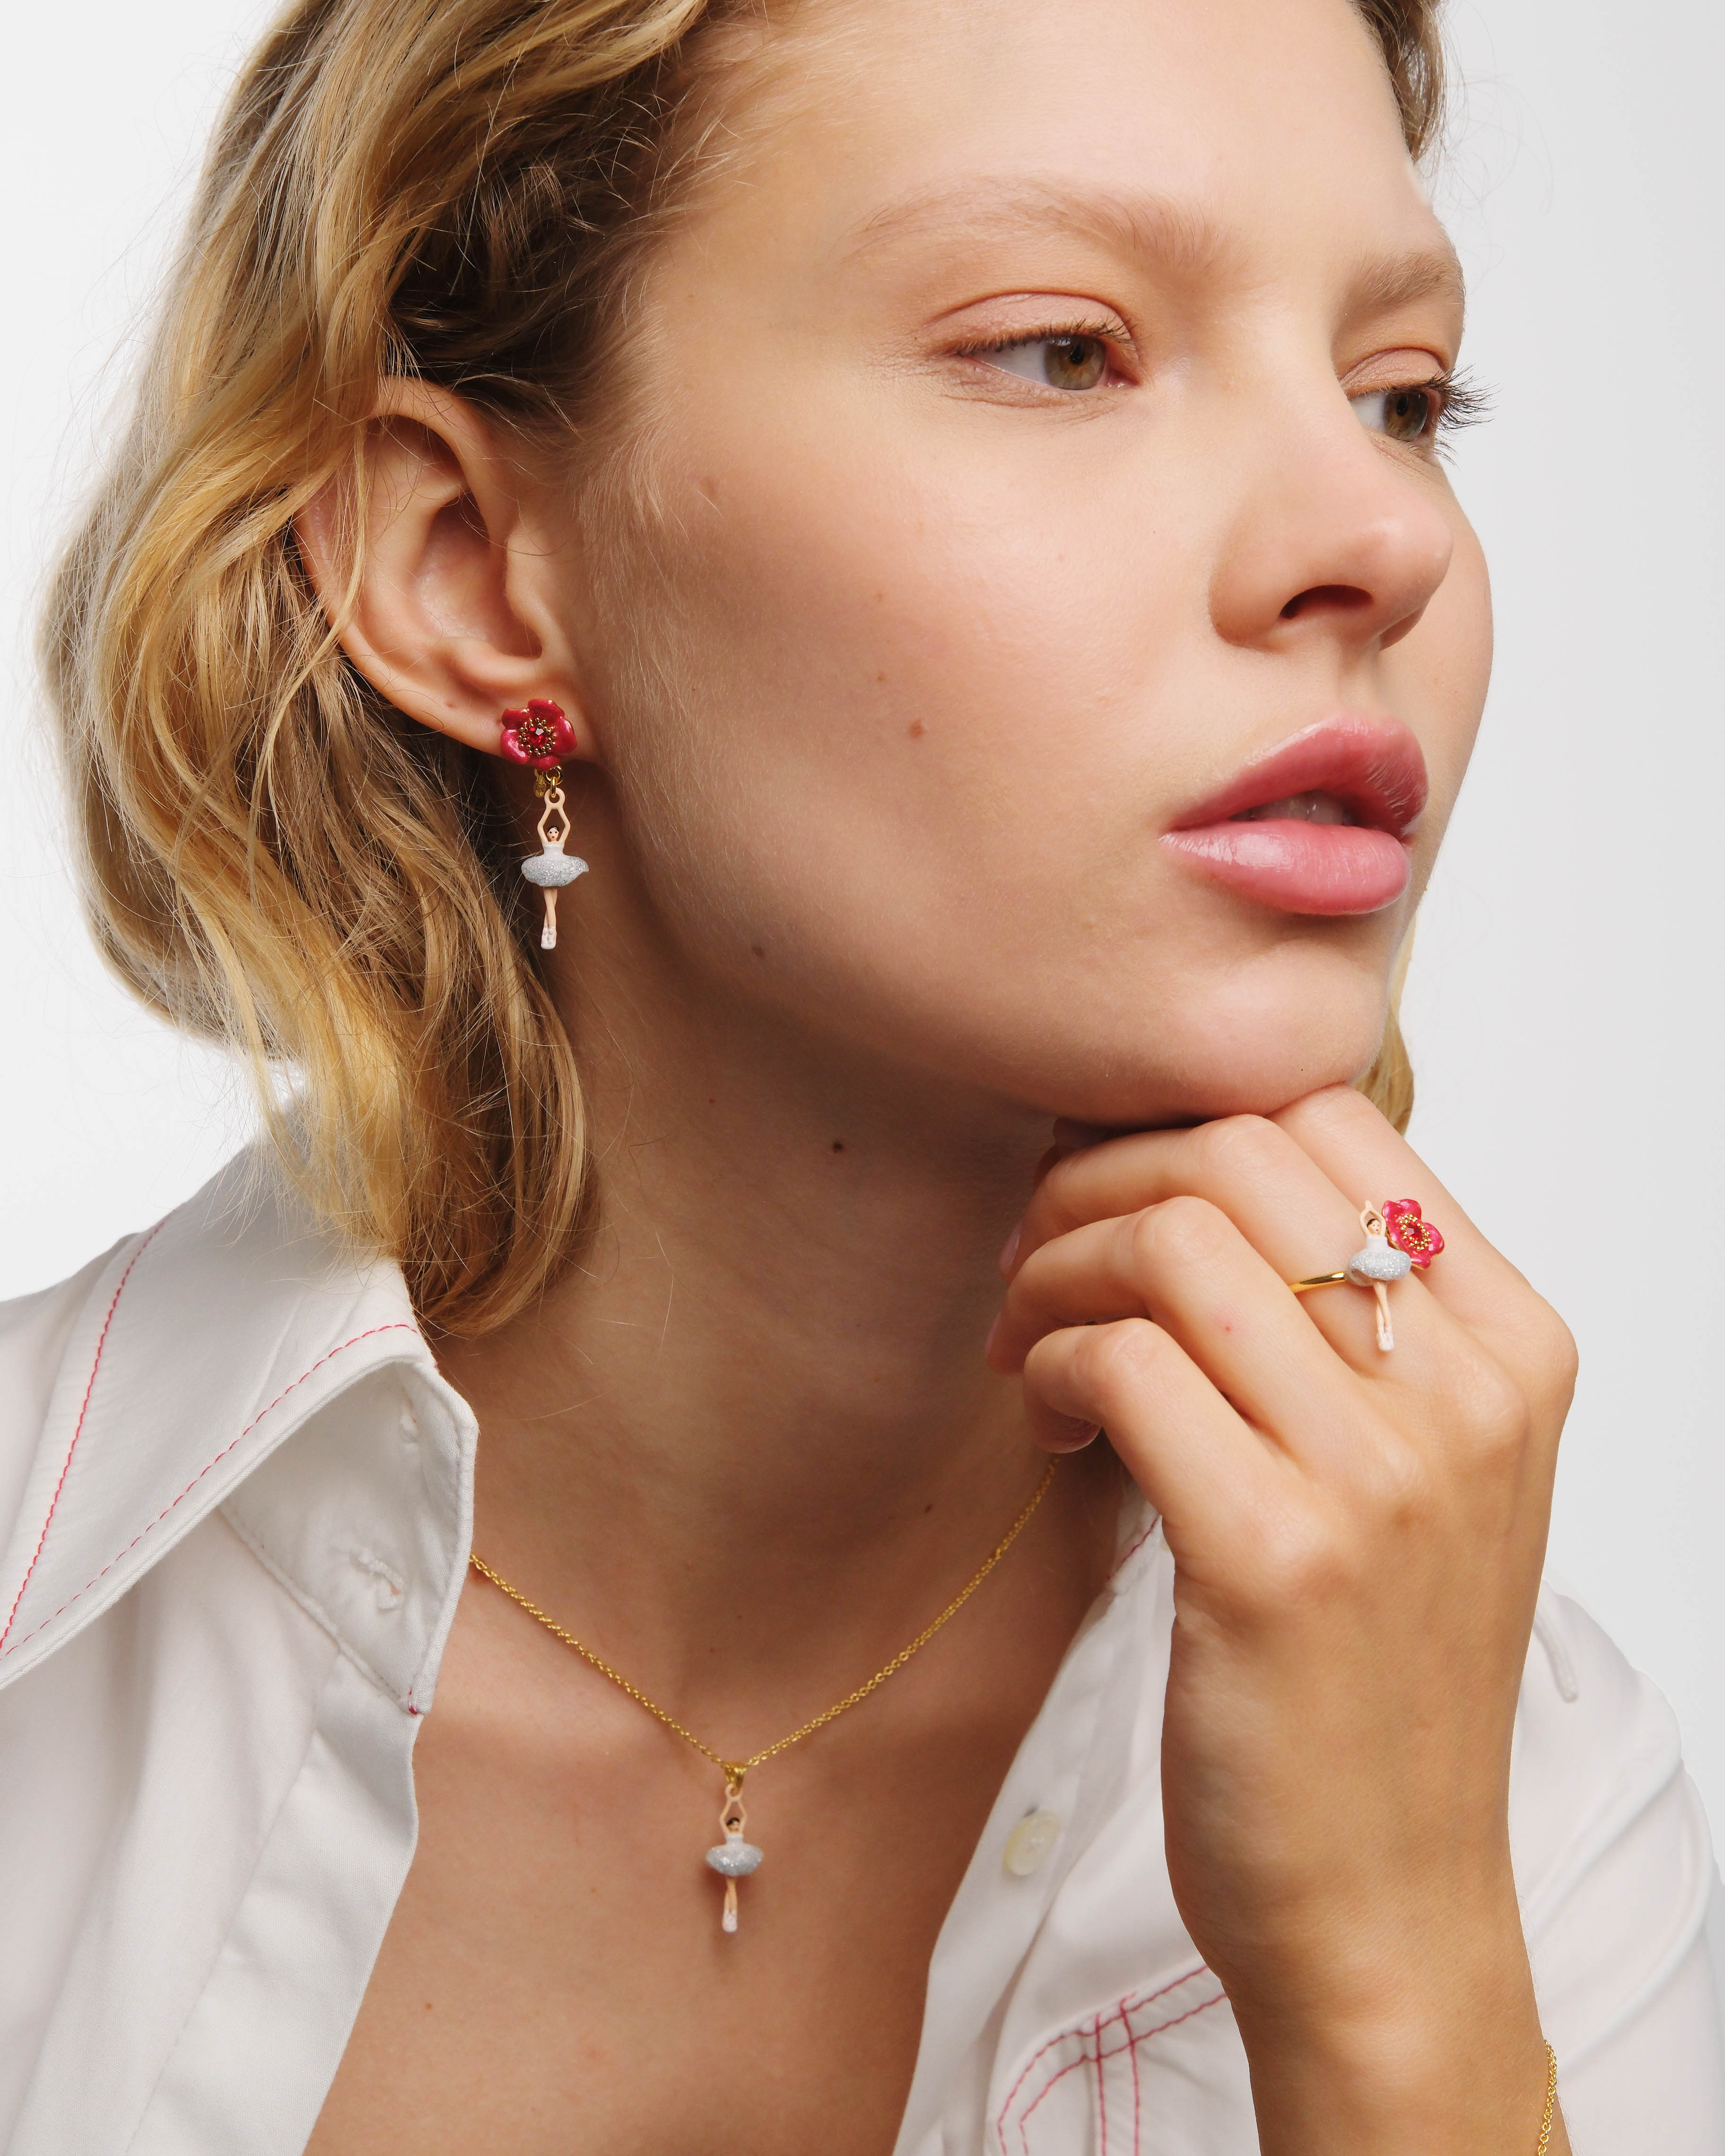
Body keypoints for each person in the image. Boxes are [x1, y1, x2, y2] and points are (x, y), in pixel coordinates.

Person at [3, 0, 1720, 2148]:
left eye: (1404, 395)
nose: (1383, 543)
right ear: (466, 570)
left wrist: (1397, 1988)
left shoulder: (1514, 1801)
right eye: (1061, 350)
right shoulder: (39, 1645)